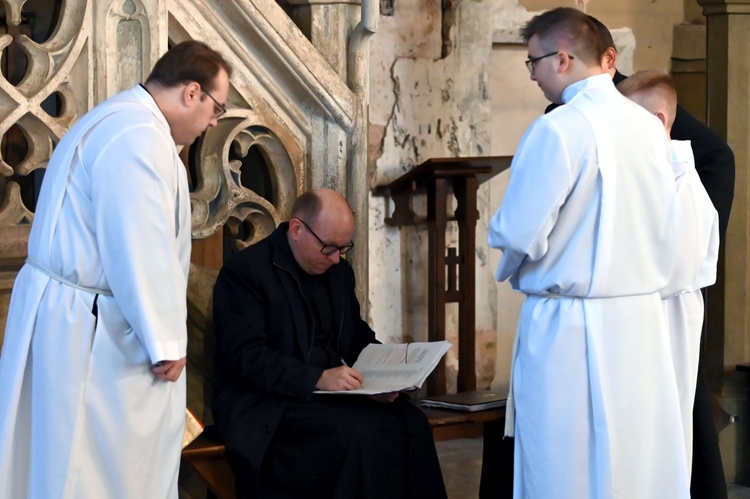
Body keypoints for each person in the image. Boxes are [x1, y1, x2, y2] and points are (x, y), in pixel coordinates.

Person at [0, 40, 231, 498]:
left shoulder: (119, 118)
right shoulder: (138, 138)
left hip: (70, 317)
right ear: (191, 93)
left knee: (59, 459)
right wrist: (164, 339)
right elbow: (137, 243)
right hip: (92, 335)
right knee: (96, 472)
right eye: (216, 107)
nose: (213, 122)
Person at [487, 7, 689, 498]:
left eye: (532, 62)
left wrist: (516, 266)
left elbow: (517, 233)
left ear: (561, 59)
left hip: (570, 332)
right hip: (640, 324)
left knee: (564, 471)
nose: (532, 75)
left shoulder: (559, 128)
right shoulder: (648, 126)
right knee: (634, 468)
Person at [211, 188, 447, 499]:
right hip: (268, 404)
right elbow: (247, 357)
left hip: (327, 397)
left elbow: (355, 335)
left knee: (410, 422)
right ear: (296, 229)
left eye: (342, 248)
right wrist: (318, 378)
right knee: (356, 434)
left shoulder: (337, 272)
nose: (336, 258)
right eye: (328, 248)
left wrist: (388, 373)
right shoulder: (246, 272)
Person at [617, 69, 720, 476]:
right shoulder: (645, 174)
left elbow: (674, 269)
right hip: (638, 323)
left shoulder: (683, 183)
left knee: (662, 441)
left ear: (659, 121)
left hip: (665, 322)